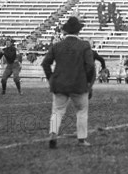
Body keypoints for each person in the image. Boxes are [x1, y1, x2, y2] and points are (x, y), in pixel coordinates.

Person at [41, 17, 95, 148]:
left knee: (57, 111)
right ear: (78, 31)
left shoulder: (57, 46)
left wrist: (51, 78)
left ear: (65, 32)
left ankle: (53, 133)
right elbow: (90, 66)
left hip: (59, 83)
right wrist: (89, 83)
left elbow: (45, 63)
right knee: (81, 111)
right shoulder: (84, 45)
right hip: (79, 84)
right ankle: (81, 139)